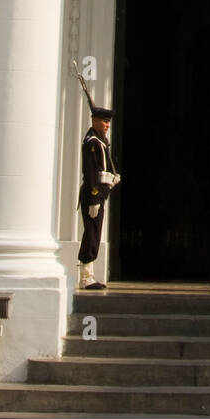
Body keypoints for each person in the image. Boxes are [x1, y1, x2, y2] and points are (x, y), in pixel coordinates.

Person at [77, 105, 119, 290]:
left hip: (100, 193)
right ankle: (86, 277)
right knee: (92, 233)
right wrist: (94, 198)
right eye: (104, 121)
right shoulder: (93, 142)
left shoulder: (100, 141)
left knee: (94, 232)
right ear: (94, 121)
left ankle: (88, 274)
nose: (107, 125)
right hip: (93, 194)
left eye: (108, 122)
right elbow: (91, 172)